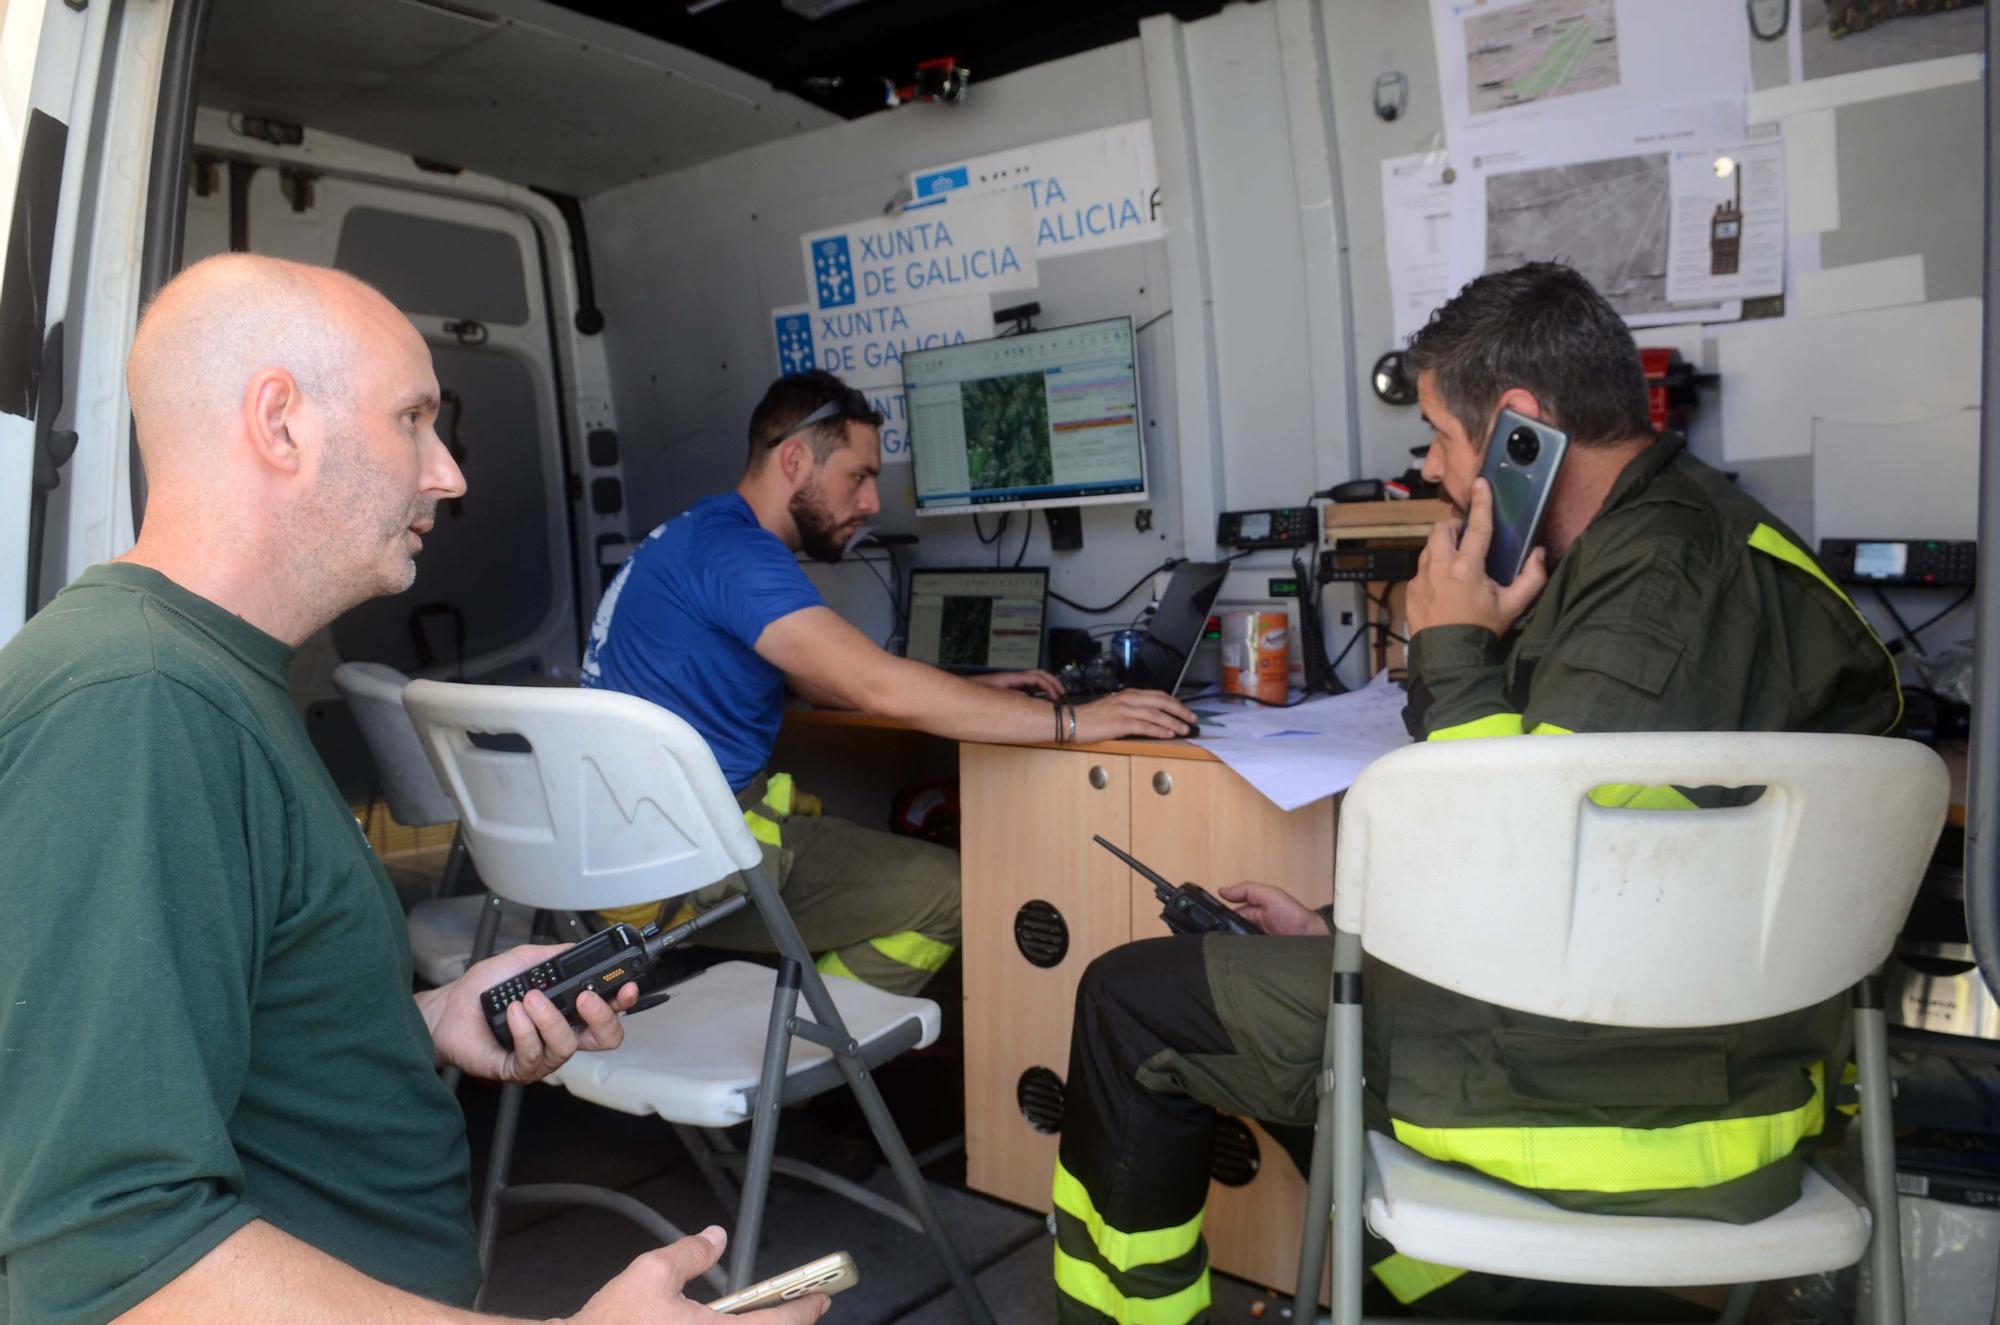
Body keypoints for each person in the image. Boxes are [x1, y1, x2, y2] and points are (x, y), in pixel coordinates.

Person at [1049, 263, 1900, 1322]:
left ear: (1517, 430)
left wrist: (1450, 640)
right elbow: (1629, 874)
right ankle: (1458, 1299)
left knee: (1133, 996)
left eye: (1441, 439)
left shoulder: (1653, 583)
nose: (1432, 473)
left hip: (1602, 1097)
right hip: (1724, 1079)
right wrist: (1333, 928)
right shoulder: (1702, 541)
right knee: (1305, 997)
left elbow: (1531, 861)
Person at [0, 254, 821, 1325]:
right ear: (281, 423)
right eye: (413, 419)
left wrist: (424, 1017)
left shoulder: (203, 675)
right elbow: (111, 1245)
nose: (448, 473)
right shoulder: (141, 702)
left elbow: (223, 1023)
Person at [583, 369, 1195, 995]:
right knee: (952, 893)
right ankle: (799, 1066)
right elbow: (876, 688)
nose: (873, 502)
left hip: (612, 856)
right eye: (859, 476)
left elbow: (828, 682)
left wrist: (981, 691)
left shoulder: (696, 534)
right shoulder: (739, 554)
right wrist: (1077, 721)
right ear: (794, 459)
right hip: (675, 870)